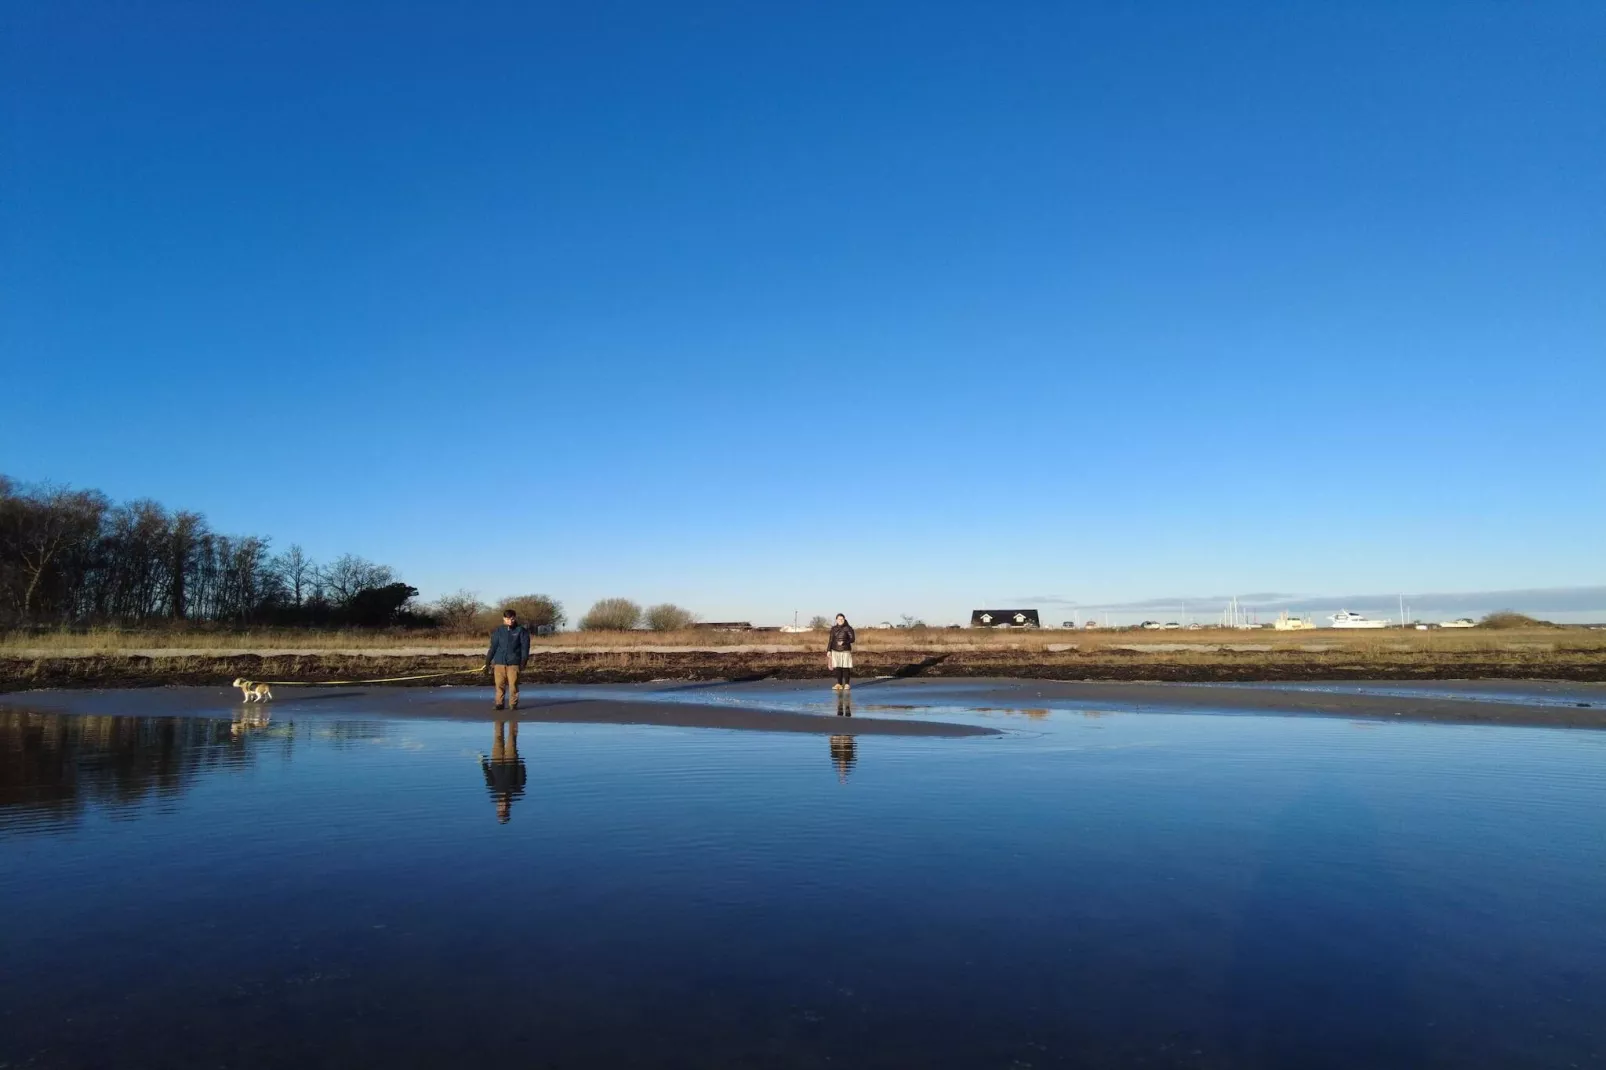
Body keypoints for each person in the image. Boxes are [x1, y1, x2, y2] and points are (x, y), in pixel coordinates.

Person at [481, 720, 527, 823]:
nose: (502, 808)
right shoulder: (516, 793)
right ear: (508, 810)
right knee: (511, 739)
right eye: (504, 811)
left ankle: (499, 719)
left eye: (500, 810)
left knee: (498, 738)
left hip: (496, 760)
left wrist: (483, 762)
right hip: (511, 762)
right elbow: (521, 778)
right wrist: (521, 765)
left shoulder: (493, 793)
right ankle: (512, 719)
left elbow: (488, 776)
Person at [484, 608, 531, 711]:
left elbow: (525, 648)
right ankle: (499, 704)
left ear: (515, 618)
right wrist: (487, 662)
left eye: (512, 619)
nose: (510, 621)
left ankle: (513, 704)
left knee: (513, 685)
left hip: (514, 663)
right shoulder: (499, 631)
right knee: (499, 685)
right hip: (499, 663)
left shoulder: (521, 631)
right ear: (504, 619)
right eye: (508, 619)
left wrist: (524, 661)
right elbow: (493, 647)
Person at [827, 613, 855, 691]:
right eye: (839, 619)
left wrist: (844, 642)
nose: (840, 620)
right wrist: (828, 650)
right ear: (836, 620)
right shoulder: (833, 628)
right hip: (835, 650)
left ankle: (847, 684)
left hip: (845, 650)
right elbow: (831, 640)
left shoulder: (848, 628)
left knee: (846, 667)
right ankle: (839, 684)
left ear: (844, 619)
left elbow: (852, 639)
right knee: (838, 667)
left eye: (842, 619)